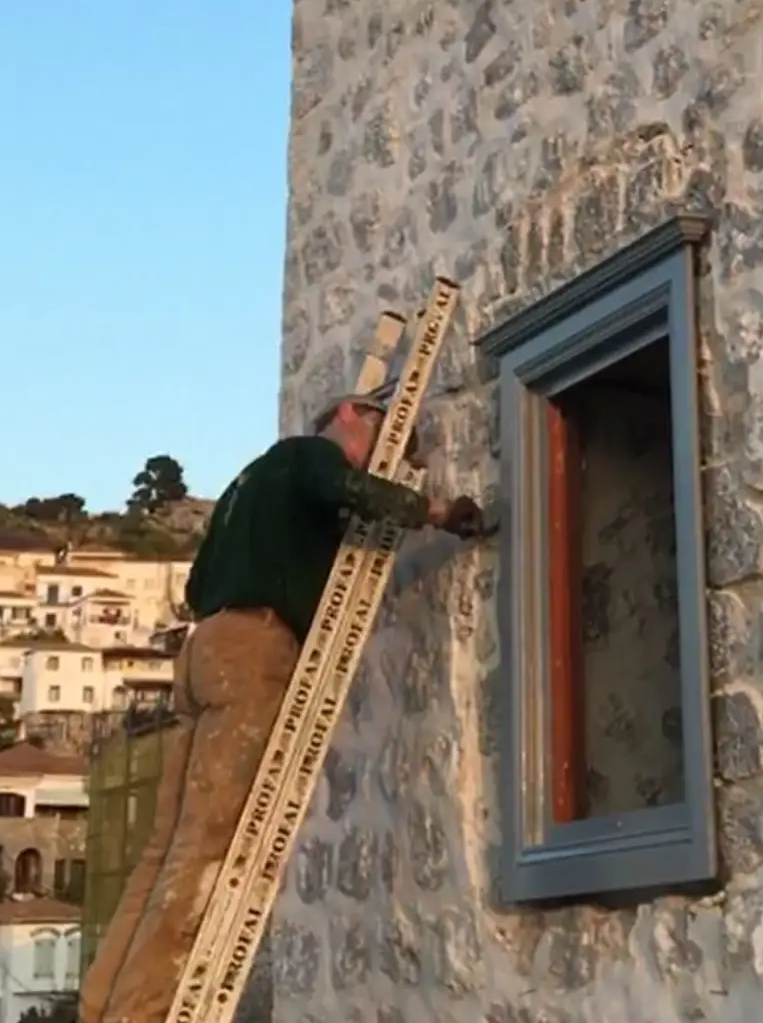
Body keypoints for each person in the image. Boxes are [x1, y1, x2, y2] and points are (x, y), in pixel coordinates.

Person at [80, 393, 483, 1023]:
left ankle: (104, 1000)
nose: (383, 449)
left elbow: (195, 584)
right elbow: (342, 484)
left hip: (204, 649)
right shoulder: (306, 457)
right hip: (252, 650)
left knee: (165, 847)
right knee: (211, 846)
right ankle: (145, 1013)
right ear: (349, 412)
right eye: (379, 428)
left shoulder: (250, 481)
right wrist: (434, 510)